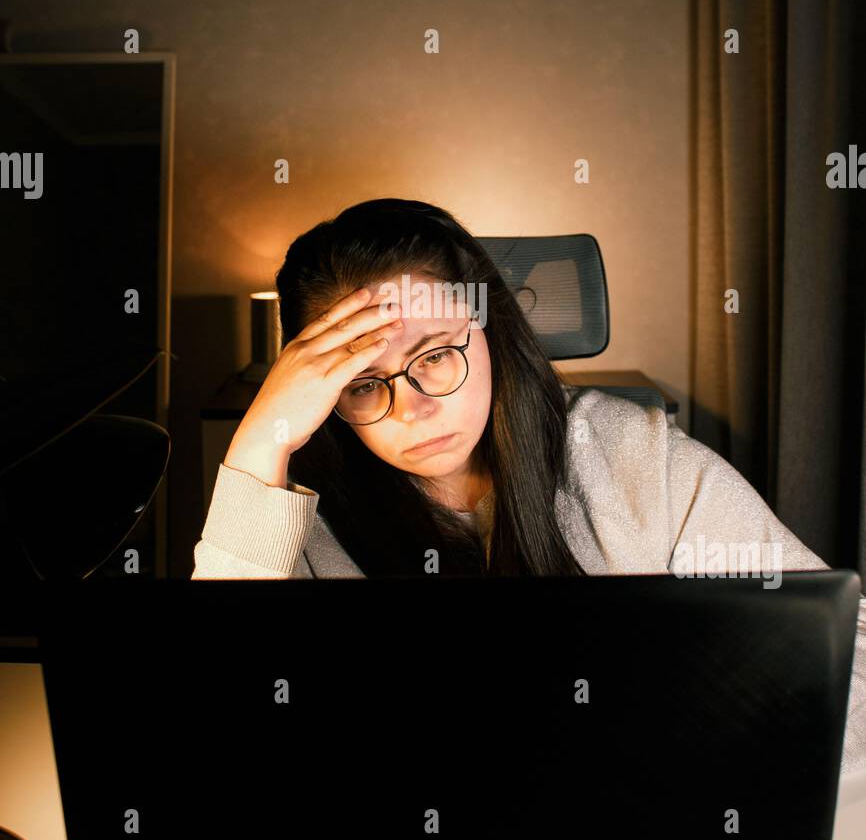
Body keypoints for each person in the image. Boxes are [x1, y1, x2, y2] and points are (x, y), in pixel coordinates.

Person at [191, 198, 866, 774]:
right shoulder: (294, 524)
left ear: (488, 327)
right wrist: (260, 439)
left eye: (433, 356)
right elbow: (211, 731)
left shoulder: (631, 454)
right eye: (364, 384)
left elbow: (838, 652)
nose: (412, 407)